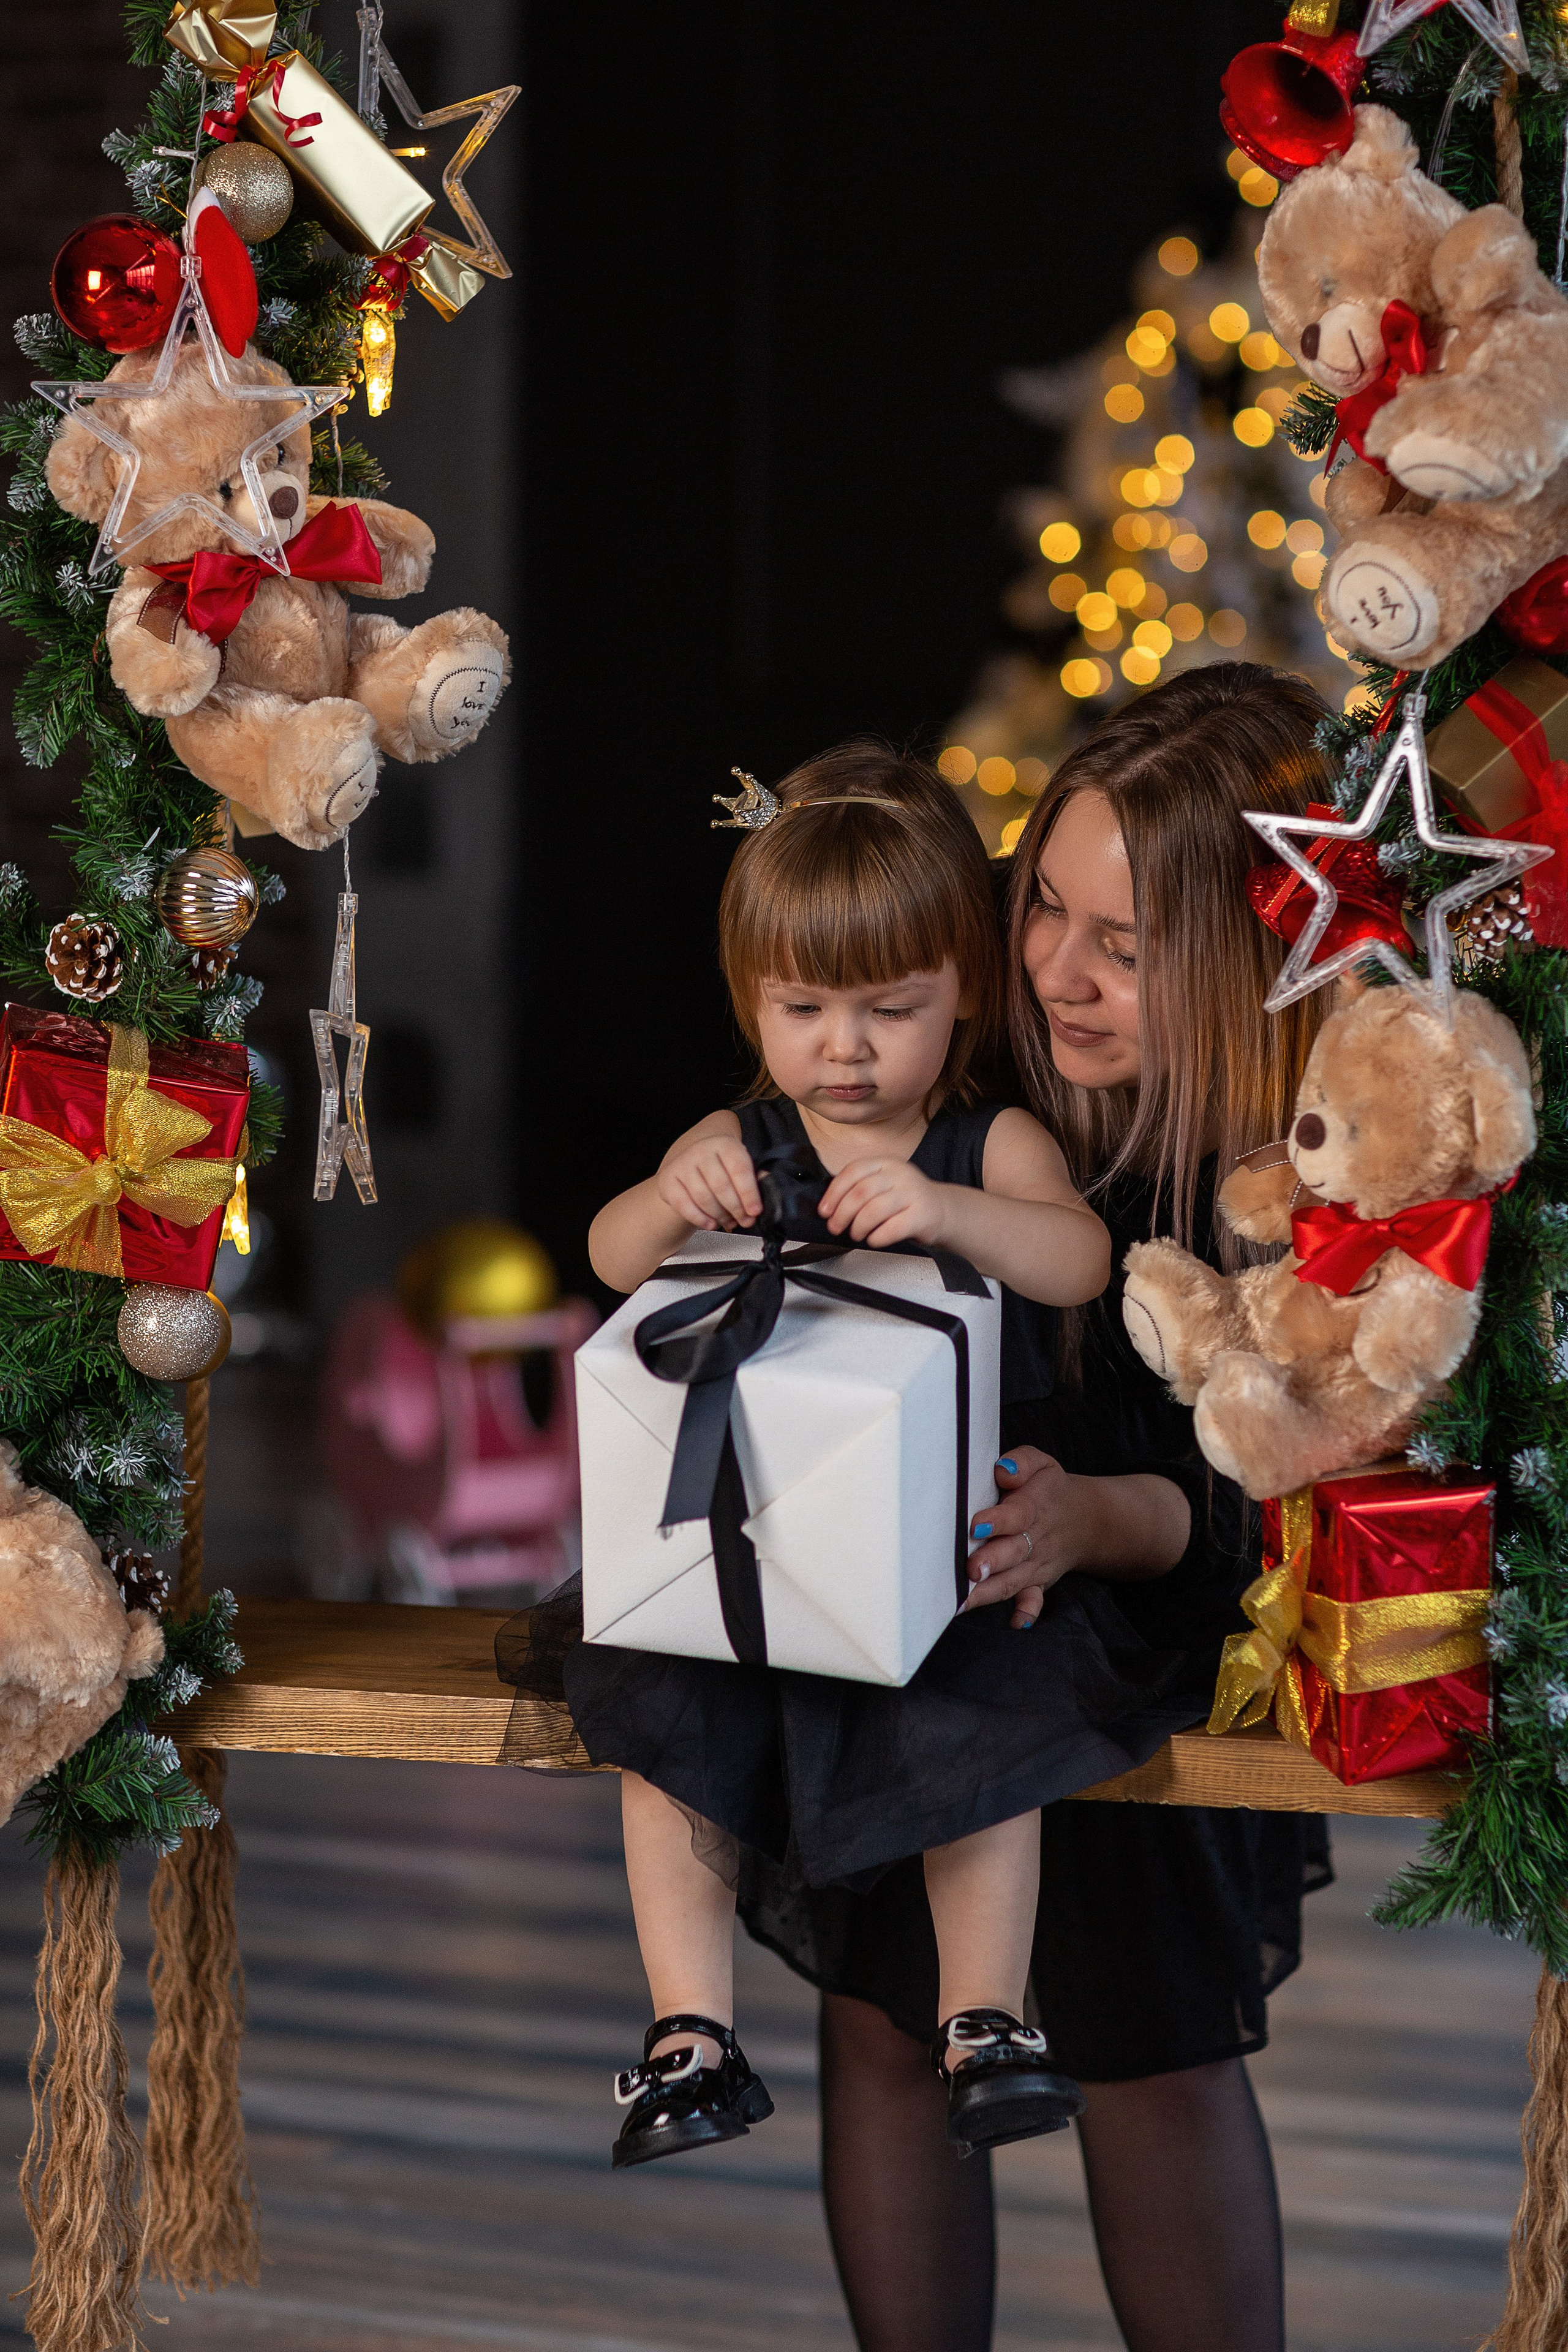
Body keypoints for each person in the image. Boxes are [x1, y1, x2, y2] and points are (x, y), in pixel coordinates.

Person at [734, 664, 1334, 2352]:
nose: (1060, 969)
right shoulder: (985, 1096)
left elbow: (1262, 1517)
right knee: (884, 2015)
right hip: (920, 1630)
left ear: (1231, 960)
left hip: (1132, 1648)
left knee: (1148, 2045)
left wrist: (1096, 1521)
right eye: (1045, 909)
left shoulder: (1282, 1180)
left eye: (1126, 947)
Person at [547, 743, 1237, 2173]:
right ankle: (690, 2033)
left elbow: (1076, 1257)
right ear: (751, 1001)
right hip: (765, 1537)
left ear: (962, 995)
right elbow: (610, 1258)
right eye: (801, 1010)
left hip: (942, 1533)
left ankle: (985, 2017)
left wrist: (946, 1211)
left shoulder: (987, 1142)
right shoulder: (739, 1134)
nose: (842, 1050)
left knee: (983, 1730)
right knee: (665, 1721)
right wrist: (668, 1200)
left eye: (890, 1010)